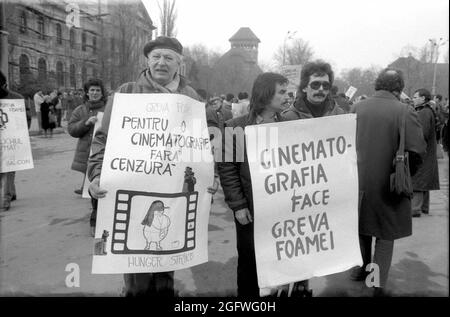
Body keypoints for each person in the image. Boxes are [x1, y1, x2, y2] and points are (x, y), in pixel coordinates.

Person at [87, 36, 203, 297]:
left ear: (179, 63)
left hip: (172, 192)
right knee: (135, 268)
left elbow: (203, 143)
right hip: (131, 189)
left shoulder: (191, 97)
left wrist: (210, 176)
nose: (161, 63)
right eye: (156, 57)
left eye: (169, 58)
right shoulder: (126, 93)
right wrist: (95, 174)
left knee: (167, 263)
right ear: (148, 60)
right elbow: (102, 139)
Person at [351, 68, 426, 296]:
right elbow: (418, 150)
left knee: (362, 228)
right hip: (389, 184)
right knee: (385, 235)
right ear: (399, 88)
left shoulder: (357, 108)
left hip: (358, 182)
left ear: (377, 84)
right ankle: (376, 281)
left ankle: (362, 269)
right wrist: (405, 174)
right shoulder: (405, 111)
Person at [217, 72, 290, 297]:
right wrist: (238, 206)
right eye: (282, 92)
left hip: (283, 209)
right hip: (250, 210)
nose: (287, 96)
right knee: (250, 262)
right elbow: (227, 169)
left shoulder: (292, 126)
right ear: (266, 94)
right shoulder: (235, 127)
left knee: (282, 260)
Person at [281, 60, 344, 295]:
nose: (320, 90)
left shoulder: (340, 115)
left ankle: (302, 286)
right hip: (293, 196)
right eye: (315, 84)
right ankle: (290, 284)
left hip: (325, 195)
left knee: (314, 247)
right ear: (304, 87)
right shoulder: (287, 117)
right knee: (293, 247)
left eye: (325, 86)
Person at [68, 78, 107, 236]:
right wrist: (86, 123)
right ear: (87, 92)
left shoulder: (109, 108)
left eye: (98, 90)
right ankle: (95, 220)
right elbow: (72, 130)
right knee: (93, 189)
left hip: (105, 154)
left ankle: (97, 219)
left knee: (99, 187)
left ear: (102, 92)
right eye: (92, 90)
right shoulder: (80, 110)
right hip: (87, 154)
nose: (95, 93)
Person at [411, 88, 440, 217]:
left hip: (423, 152)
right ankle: (424, 207)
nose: (413, 99)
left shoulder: (423, 112)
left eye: (415, 96)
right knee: (425, 178)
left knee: (419, 178)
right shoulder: (429, 111)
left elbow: (421, 134)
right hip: (428, 152)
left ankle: (415, 209)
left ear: (423, 98)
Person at [0, 70, 24, 211]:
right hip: (12, 137)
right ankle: (9, 194)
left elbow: (24, 120)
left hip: (11, 138)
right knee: (9, 168)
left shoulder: (16, 99)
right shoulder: (17, 97)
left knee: (9, 168)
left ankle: (6, 197)